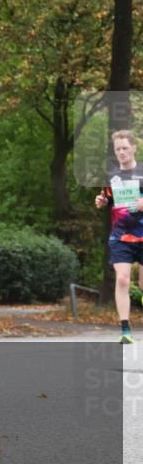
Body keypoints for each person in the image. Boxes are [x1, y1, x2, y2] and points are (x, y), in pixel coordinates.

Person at [94, 129, 143, 344]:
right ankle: (125, 330)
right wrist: (102, 202)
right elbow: (107, 199)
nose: (121, 152)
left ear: (134, 148)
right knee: (122, 279)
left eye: (124, 148)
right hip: (121, 235)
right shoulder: (111, 177)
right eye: (117, 149)